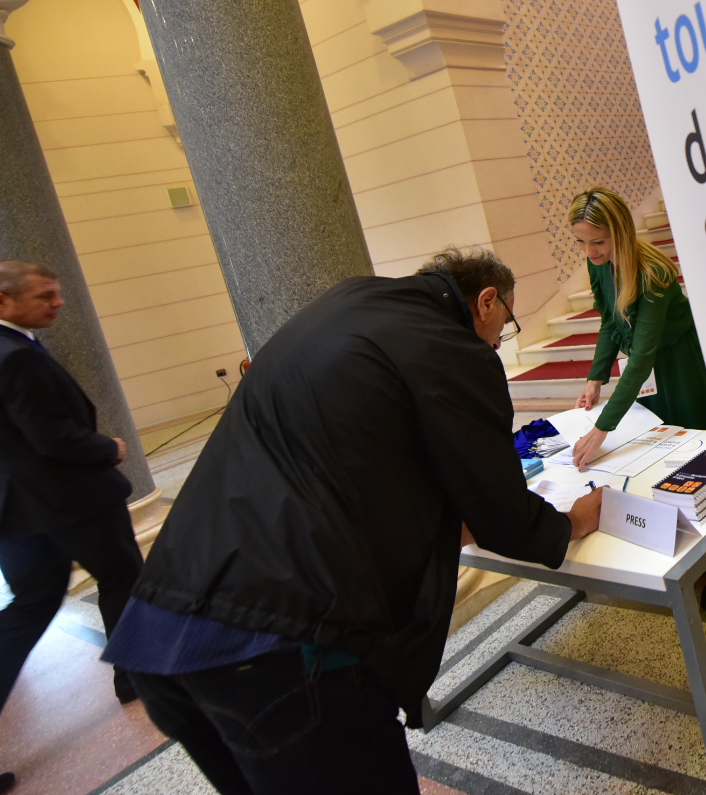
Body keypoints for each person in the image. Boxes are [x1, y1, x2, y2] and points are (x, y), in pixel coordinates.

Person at [101, 248, 603, 795]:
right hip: (281, 645)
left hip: (160, 627)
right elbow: (502, 509)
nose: (498, 340)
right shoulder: (450, 346)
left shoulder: (347, 301)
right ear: (487, 302)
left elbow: (348, 467)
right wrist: (570, 523)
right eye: (505, 326)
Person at [0, 260, 144, 792]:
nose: (58, 303)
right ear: (3, 301)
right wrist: (109, 447)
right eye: (44, 296)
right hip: (67, 504)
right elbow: (52, 436)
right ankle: (136, 677)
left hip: (17, 514)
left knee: (27, 611)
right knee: (124, 577)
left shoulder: (13, 346)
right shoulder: (15, 357)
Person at [566, 187, 706, 607]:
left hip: (679, 366)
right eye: (582, 241)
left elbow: (643, 354)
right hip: (647, 373)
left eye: (598, 241)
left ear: (620, 232)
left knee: (699, 461)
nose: (590, 251)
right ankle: (682, 547)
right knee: (660, 460)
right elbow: (612, 324)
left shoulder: (653, 273)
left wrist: (600, 430)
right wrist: (595, 377)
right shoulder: (600, 266)